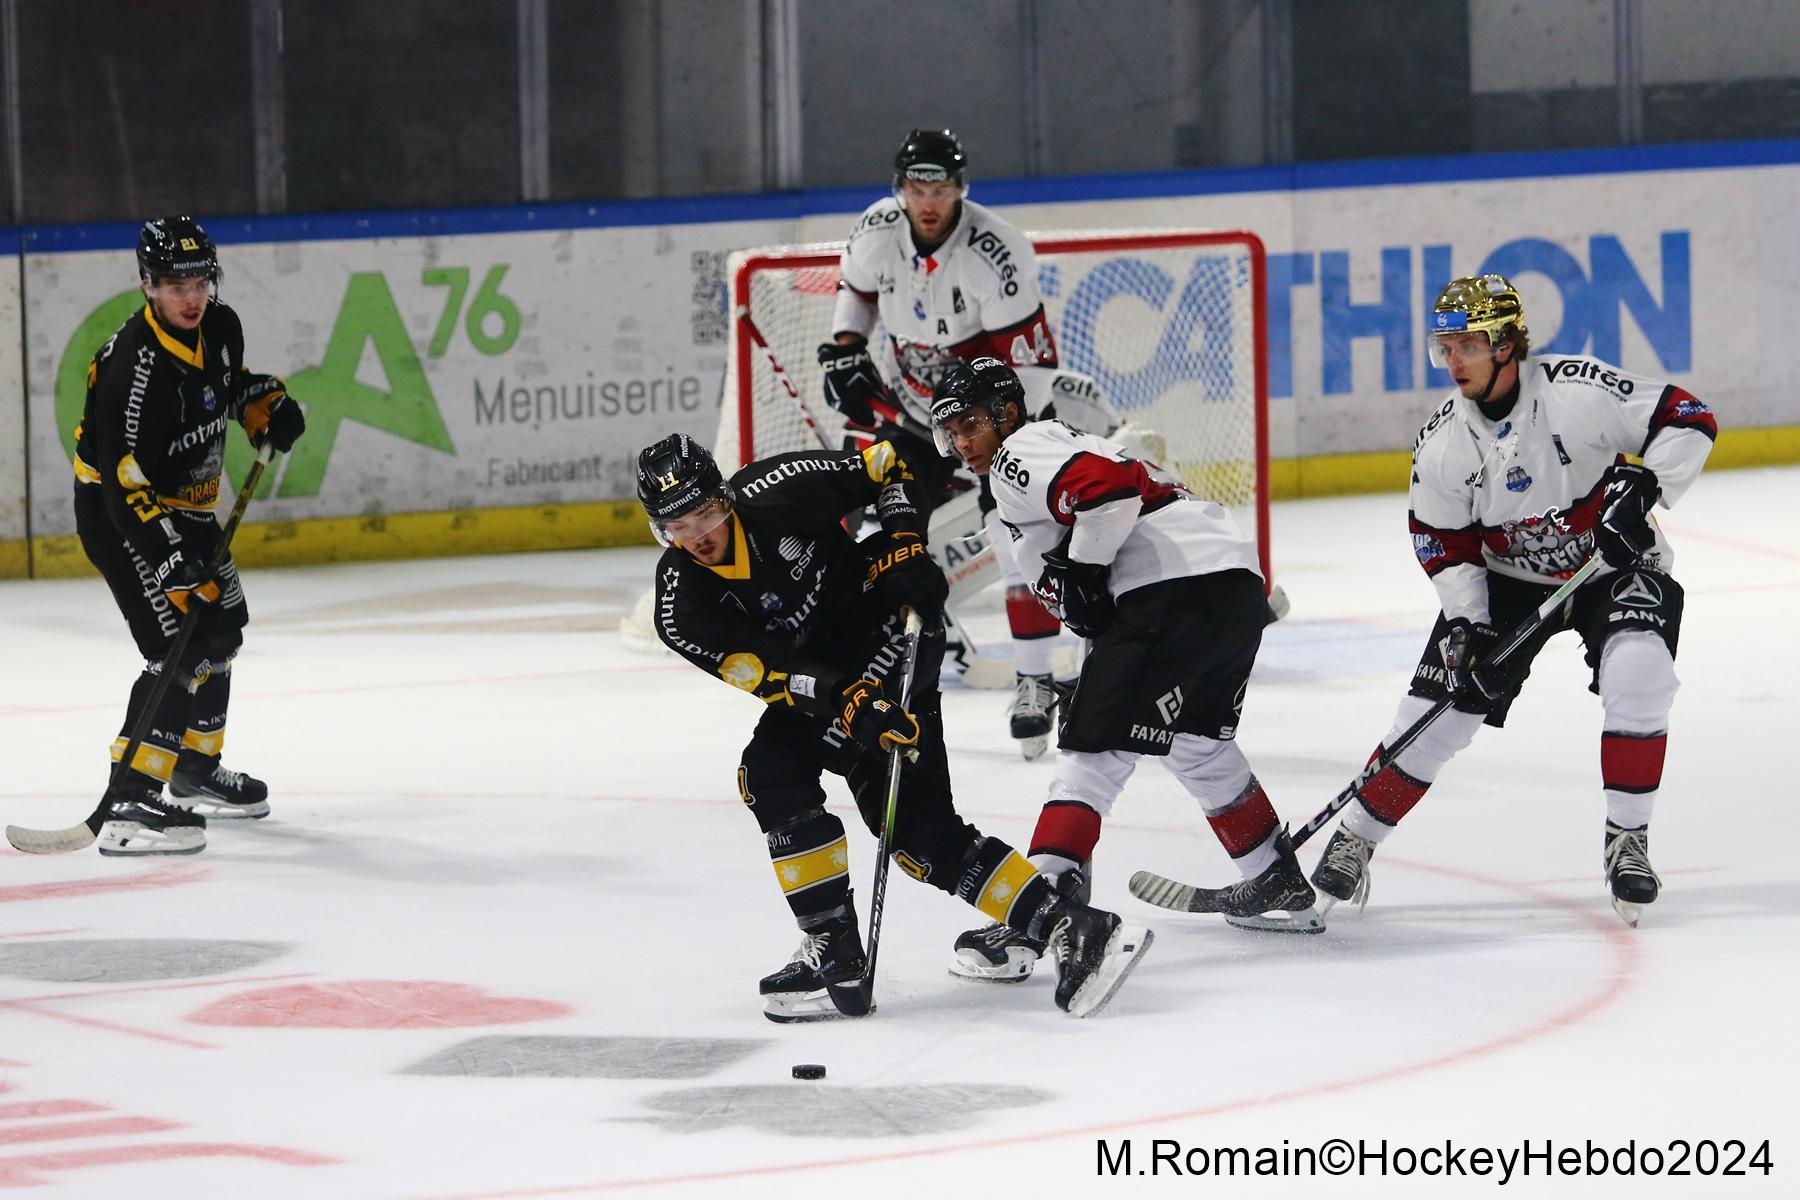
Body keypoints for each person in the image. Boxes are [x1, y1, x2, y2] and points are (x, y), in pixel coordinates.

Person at [637, 431, 1151, 1019]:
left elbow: (893, 461)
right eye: (676, 526)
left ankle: (837, 948)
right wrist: (847, 699)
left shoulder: (776, 488)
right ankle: (1066, 923)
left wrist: (905, 542)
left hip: (891, 627)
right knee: (909, 830)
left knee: (788, 777)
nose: (697, 535)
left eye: (705, 514)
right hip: (833, 678)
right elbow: (772, 676)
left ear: (725, 497)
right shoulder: (680, 608)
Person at [1307, 274, 1716, 927]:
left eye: (1468, 345)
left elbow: (1689, 418)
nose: (1453, 360)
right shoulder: (1443, 444)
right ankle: (1354, 836)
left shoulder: (1578, 390)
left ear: (1506, 344)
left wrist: (1646, 488)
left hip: (1612, 564)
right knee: (1438, 716)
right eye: (1446, 347)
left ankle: (1628, 839)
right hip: (1504, 581)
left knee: (1640, 670)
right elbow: (1442, 543)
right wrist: (1469, 624)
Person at [929, 359, 1319, 983]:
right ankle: (1273, 878)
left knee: (1090, 756)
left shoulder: (1018, 453)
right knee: (1197, 743)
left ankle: (1039, 919)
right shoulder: (1043, 463)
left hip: (1168, 590)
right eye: (951, 432)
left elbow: (1108, 491)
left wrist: (1084, 573)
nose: (962, 443)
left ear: (1007, 412)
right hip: (1231, 585)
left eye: (971, 424)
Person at [821, 127, 1093, 759]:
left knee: (1022, 540)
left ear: (959, 190)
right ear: (900, 189)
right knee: (882, 534)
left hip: (1001, 419)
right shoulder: (875, 230)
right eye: (917, 188)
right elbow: (856, 292)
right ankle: (873, 677)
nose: (928, 201)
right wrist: (846, 349)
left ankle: (1034, 680)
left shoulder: (996, 251)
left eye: (940, 188)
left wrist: (992, 432)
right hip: (914, 415)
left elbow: (1029, 367)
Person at [72, 216, 306, 855]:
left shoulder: (220, 326)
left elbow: (223, 389)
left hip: (188, 508)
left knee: (222, 629)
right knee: (178, 642)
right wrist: (171, 559)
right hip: (123, 516)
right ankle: (131, 801)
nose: (191, 296)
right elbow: (123, 483)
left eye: (200, 281)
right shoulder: (131, 367)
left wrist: (264, 407)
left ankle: (194, 769)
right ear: (148, 285)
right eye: (176, 285)